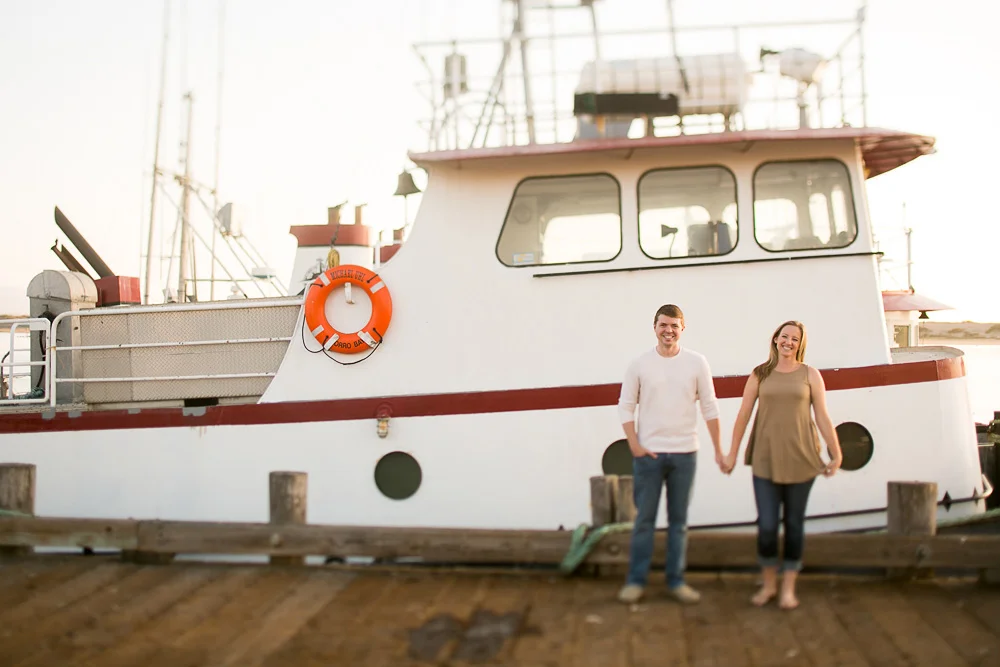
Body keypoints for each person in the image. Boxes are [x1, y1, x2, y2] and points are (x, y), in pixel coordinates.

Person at [722, 320, 843, 610]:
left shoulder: (810, 375)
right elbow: (743, 415)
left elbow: (823, 417)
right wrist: (732, 453)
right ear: (775, 339)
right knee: (766, 526)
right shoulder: (760, 374)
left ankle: (788, 589)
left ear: (800, 344)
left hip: (802, 459)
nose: (788, 342)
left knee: (793, 525)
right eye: (784, 336)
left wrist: (836, 452)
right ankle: (768, 585)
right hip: (765, 458)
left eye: (794, 338)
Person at [617, 304, 723, 605]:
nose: (669, 331)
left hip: (685, 454)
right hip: (648, 456)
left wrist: (718, 449)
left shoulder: (697, 363)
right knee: (644, 522)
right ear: (655, 327)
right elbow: (625, 405)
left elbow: (710, 406)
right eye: (664, 325)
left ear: (682, 328)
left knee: (679, 523)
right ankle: (636, 581)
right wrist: (634, 445)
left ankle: (676, 581)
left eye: (674, 326)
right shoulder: (639, 364)